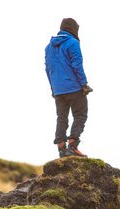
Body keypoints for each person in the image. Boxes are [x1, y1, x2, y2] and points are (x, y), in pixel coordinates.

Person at [45, 18, 93, 158]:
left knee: (61, 117)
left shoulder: (49, 47)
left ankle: (61, 149)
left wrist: (53, 89)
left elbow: (48, 69)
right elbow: (77, 65)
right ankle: (72, 145)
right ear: (73, 29)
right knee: (80, 114)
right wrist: (84, 84)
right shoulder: (73, 43)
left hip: (58, 90)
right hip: (73, 87)